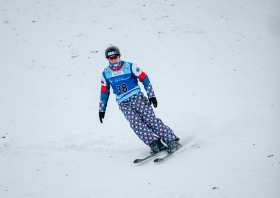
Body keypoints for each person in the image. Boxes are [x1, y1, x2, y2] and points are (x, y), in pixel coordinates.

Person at [99, 46, 181, 154]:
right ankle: (155, 143)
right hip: (123, 103)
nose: (114, 60)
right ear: (108, 59)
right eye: (111, 58)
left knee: (150, 120)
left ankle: (171, 139)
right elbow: (104, 92)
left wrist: (151, 95)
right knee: (136, 124)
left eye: (116, 57)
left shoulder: (130, 66)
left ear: (119, 56)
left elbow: (144, 78)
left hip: (137, 98)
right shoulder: (106, 73)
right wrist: (101, 110)